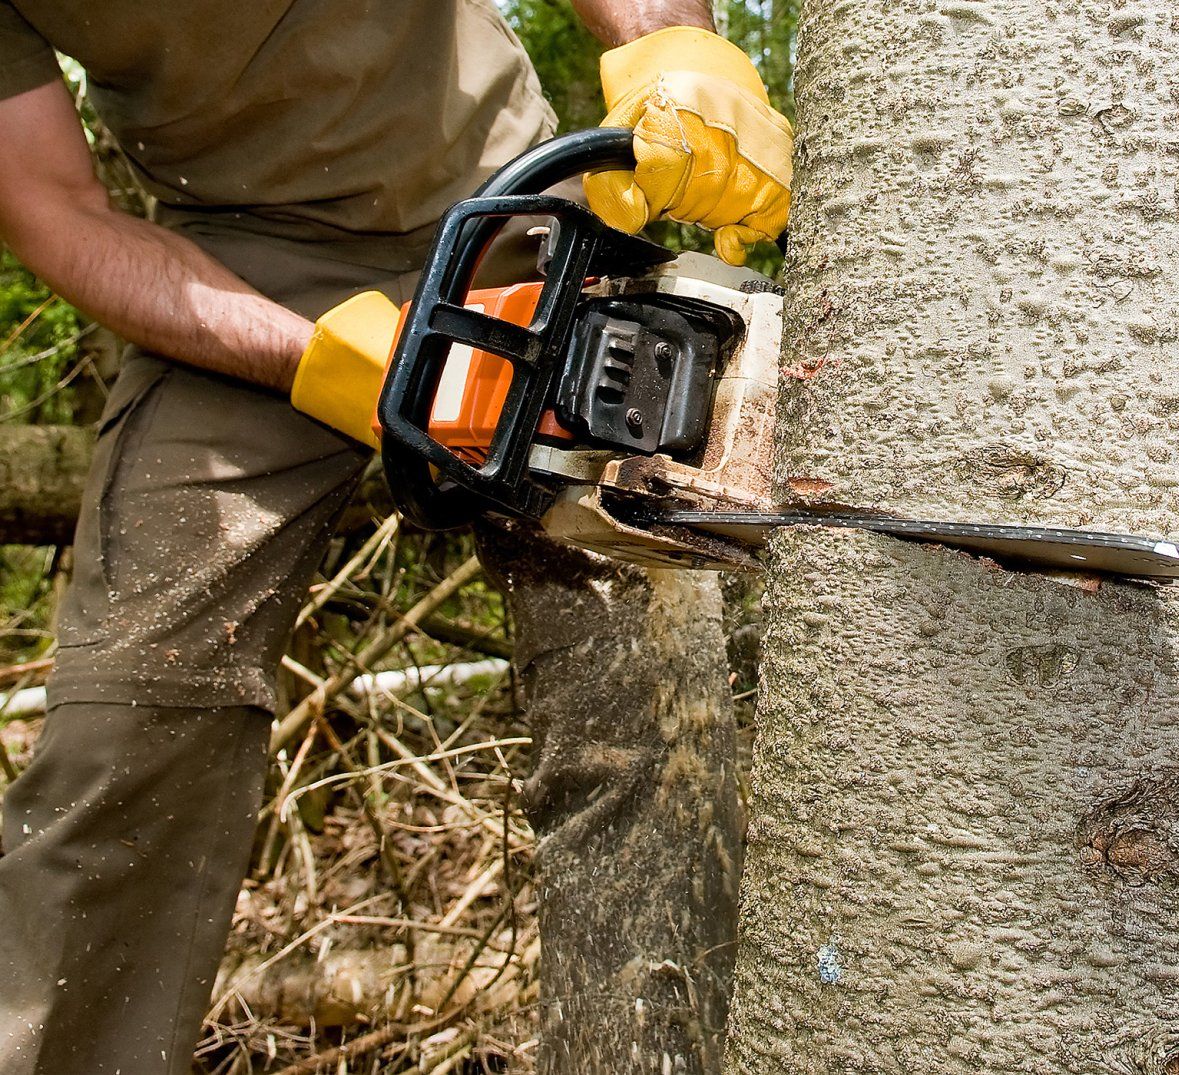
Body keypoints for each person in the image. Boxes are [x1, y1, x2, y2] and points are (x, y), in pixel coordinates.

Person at [0, 1, 790, 1071]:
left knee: (640, 695)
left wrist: (668, 44)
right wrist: (320, 364)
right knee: (133, 709)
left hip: (512, 209)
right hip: (228, 265)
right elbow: (49, 206)